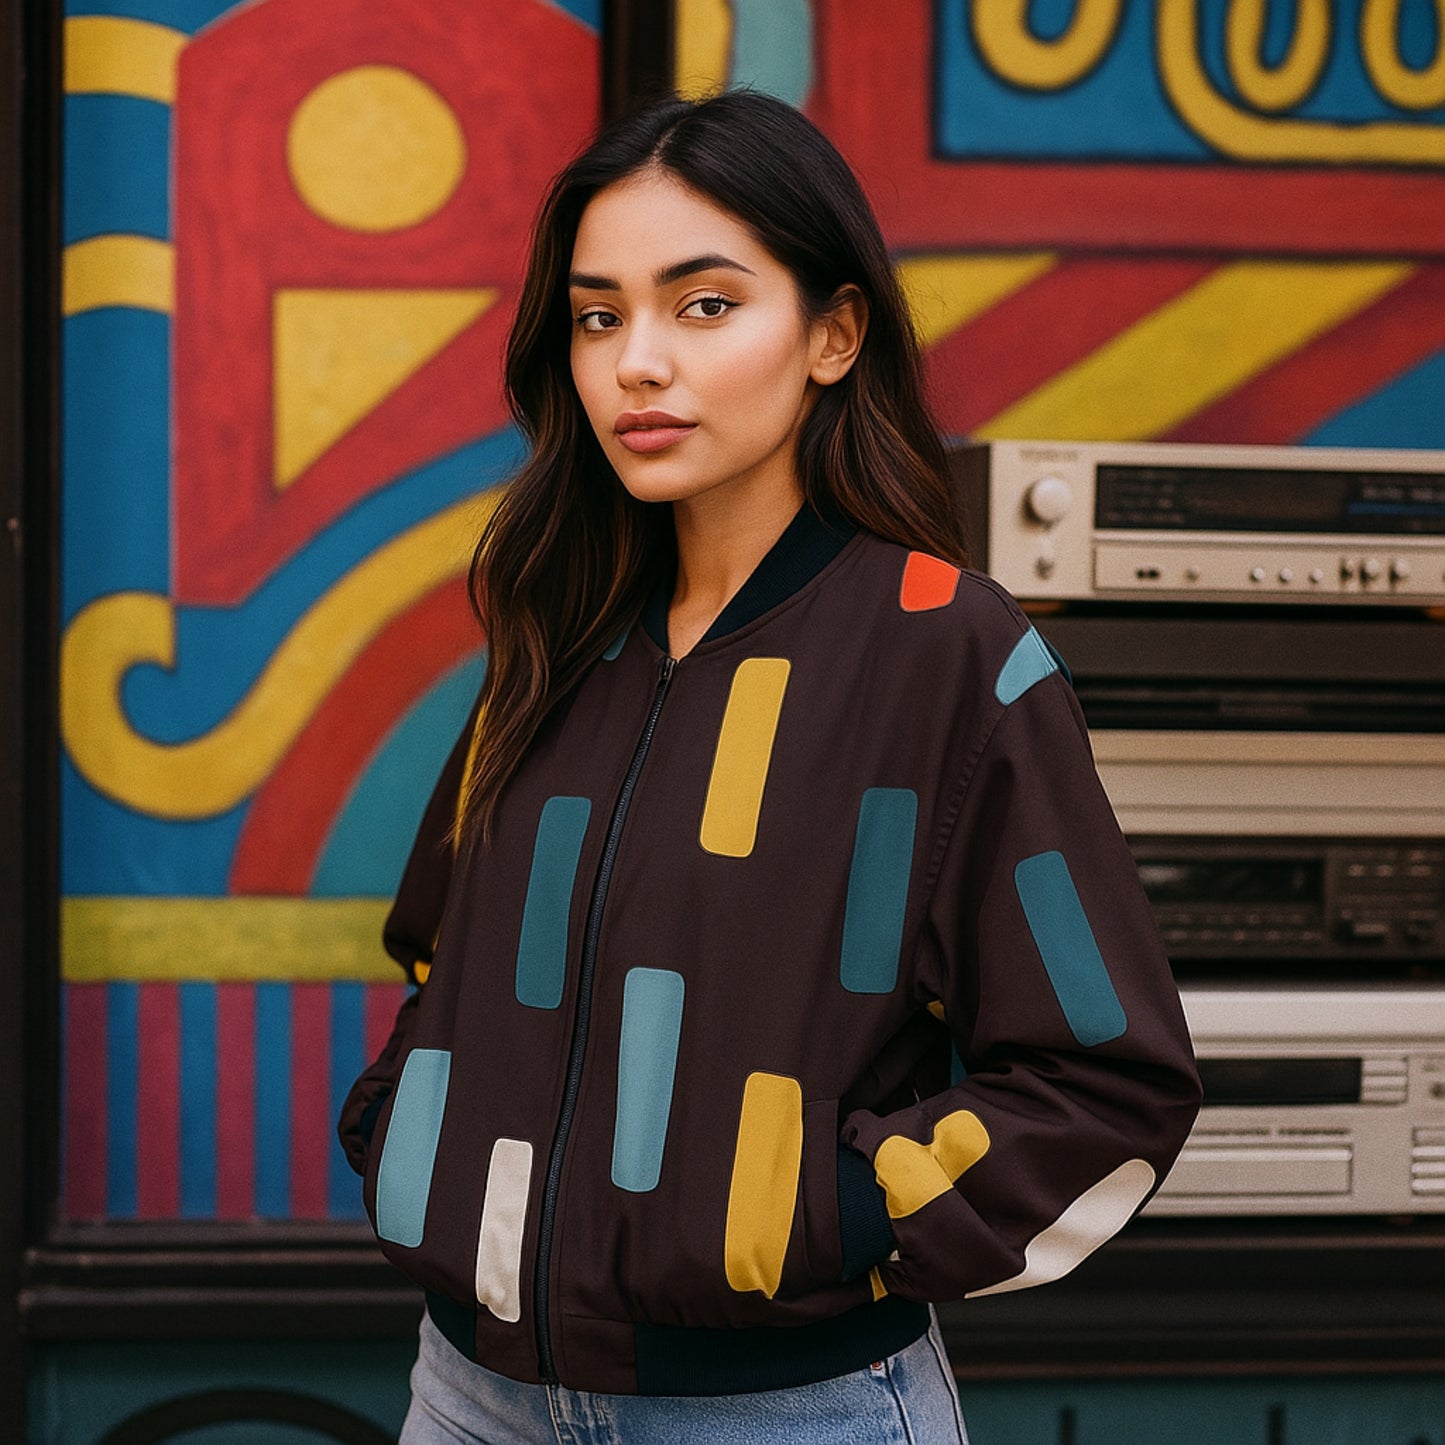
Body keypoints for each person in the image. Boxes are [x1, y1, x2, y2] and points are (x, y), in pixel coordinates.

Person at [337, 89, 1202, 1444]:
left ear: (832, 334)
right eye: (597, 313)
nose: (636, 362)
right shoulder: (551, 633)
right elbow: (441, 962)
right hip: (471, 1396)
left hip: (784, 1410)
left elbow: (1107, 1082)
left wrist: (825, 1218)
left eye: (703, 305)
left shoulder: (946, 653)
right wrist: (411, 1142)